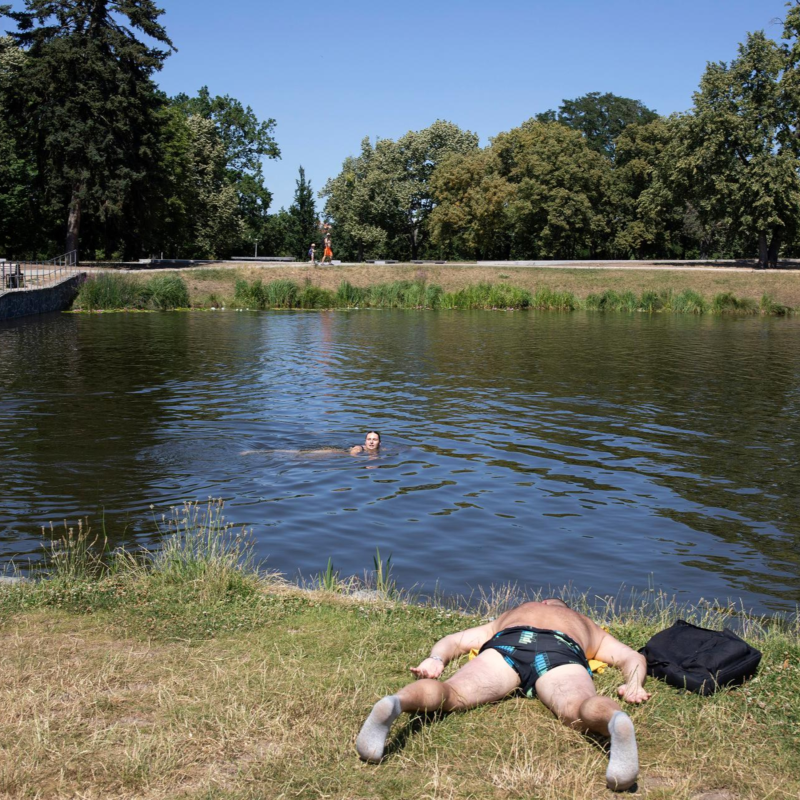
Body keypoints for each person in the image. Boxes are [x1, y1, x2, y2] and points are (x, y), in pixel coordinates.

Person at [356, 598, 650, 791]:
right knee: (577, 708)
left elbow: (455, 640)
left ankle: (397, 702)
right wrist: (634, 684)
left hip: (510, 641)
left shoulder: (513, 613)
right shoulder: (585, 623)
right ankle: (613, 720)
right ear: (564, 608)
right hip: (560, 648)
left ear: (543, 604)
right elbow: (631, 657)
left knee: (452, 693)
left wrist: (435, 659)